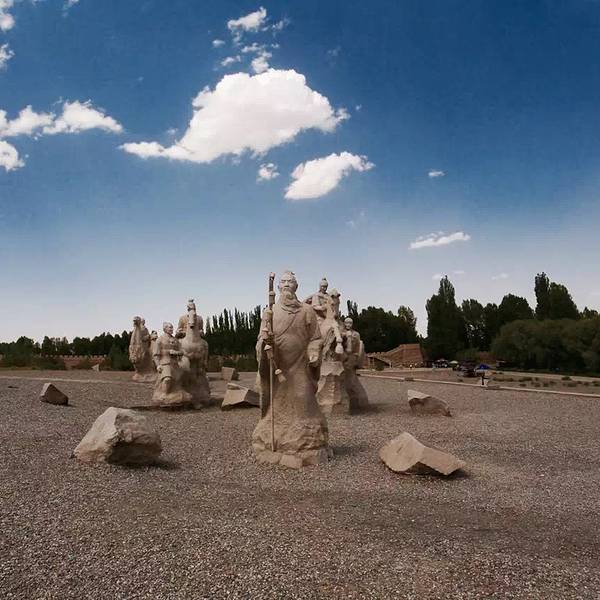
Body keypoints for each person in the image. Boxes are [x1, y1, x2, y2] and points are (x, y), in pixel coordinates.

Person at [253, 270, 329, 468]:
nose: (287, 284)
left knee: (303, 396)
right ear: (278, 287)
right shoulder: (270, 312)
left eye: (291, 281)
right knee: (277, 405)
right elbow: (261, 340)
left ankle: (307, 440)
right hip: (278, 367)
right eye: (284, 282)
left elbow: (316, 338)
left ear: (296, 286)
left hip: (300, 364)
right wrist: (265, 344)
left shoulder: (307, 311)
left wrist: (314, 352)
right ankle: (274, 438)